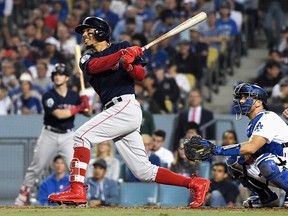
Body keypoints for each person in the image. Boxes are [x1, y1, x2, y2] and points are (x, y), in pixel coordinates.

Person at [47, 16, 210, 208]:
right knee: (143, 171)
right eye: (83, 31)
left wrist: (129, 64)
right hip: (115, 111)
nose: (84, 34)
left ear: (100, 31)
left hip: (125, 106)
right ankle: (195, 183)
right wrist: (122, 56)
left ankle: (77, 189)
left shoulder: (122, 46)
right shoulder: (87, 57)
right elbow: (95, 66)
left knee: (81, 136)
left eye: (87, 30)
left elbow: (139, 75)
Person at [198, 83, 288, 208]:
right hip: (280, 165)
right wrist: (248, 156)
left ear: (258, 103)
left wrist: (216, 149)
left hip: (281, 163)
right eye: (240, 97)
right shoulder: (252, 125)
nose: (241, 101)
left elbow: (252, 147)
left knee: (266, 162)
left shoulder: (268, 118)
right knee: (235, 161)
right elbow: (252, 152)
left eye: (246, 97)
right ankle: (267, 197)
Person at [14, 63, 90, 206]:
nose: (57, 77)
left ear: (67, 77)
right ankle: (21, 198)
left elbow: (88, 113)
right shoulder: (48, 95)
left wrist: (86, 105)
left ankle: (81, 200)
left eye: (60, 74)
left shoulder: (74, 96)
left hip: (68, 136)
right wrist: (79, 107)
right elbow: (59, 114)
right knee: (36, 167)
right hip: (49, 134)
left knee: (76, 168)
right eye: (55, 74)